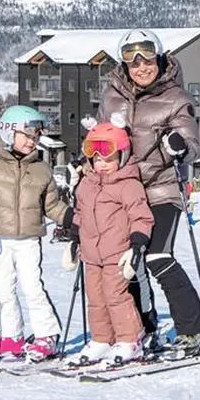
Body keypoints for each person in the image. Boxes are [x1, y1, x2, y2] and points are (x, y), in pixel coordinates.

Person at [93, 28, 200, 356]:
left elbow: (190, 145)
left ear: (159, 58)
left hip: (161, 190)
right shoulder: (111, 96)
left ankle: (196, 331)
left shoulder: (176, 99)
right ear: (125, 65)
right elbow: (103, 139)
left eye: (147, 59)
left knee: (158, 256)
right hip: (123, 192)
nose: (142, 67)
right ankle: (143, 329)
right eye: (133, 61)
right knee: (128, 263)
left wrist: (178, 146)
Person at [0, 105, 74, 361]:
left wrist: (71, 217)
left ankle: (47, 335)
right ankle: (10, 337)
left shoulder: (42, 169)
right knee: (4, 290)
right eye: (26, 134)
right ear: (7, 133)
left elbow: (51, 206)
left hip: (28, 239)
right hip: (0, 238)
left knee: (32, 287)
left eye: (35, 135)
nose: (31, 140)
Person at [64, 122, 154, 367]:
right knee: (95, 298)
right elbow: (80, 213)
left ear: (122, 156)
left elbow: (141, 217)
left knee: (116, 297)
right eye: (96, 159)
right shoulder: (87, 184)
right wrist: (74, 239)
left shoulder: (128, 185)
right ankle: (102, 338)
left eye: (108, 158)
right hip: (91, 255)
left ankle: (129, 339)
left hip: (117, 254)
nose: (101, 164)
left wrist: (136, 246)